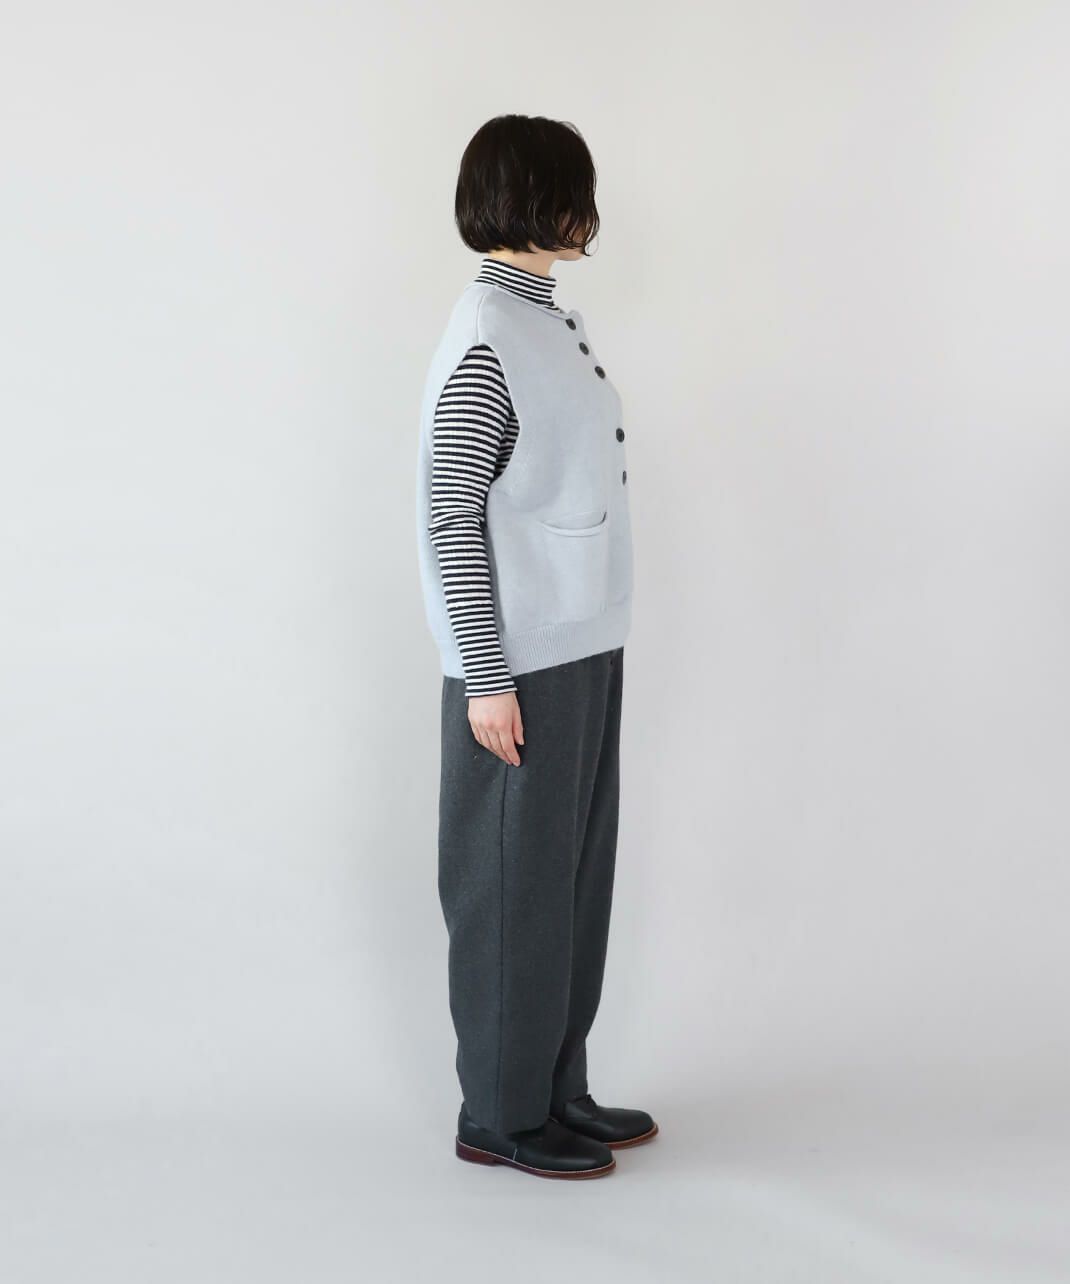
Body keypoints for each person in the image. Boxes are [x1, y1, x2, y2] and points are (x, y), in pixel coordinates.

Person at [414, 114, 657, 1180]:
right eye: (572, 193)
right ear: (531, 199)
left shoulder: (545, 318)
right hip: (517, 666)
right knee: (511, 892)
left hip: (584, 645)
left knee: (569, 882)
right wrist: (484, 676)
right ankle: (501, 1115)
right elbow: (449, 512)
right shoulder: (488, 335)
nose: (584, 213)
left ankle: (557, 1088)